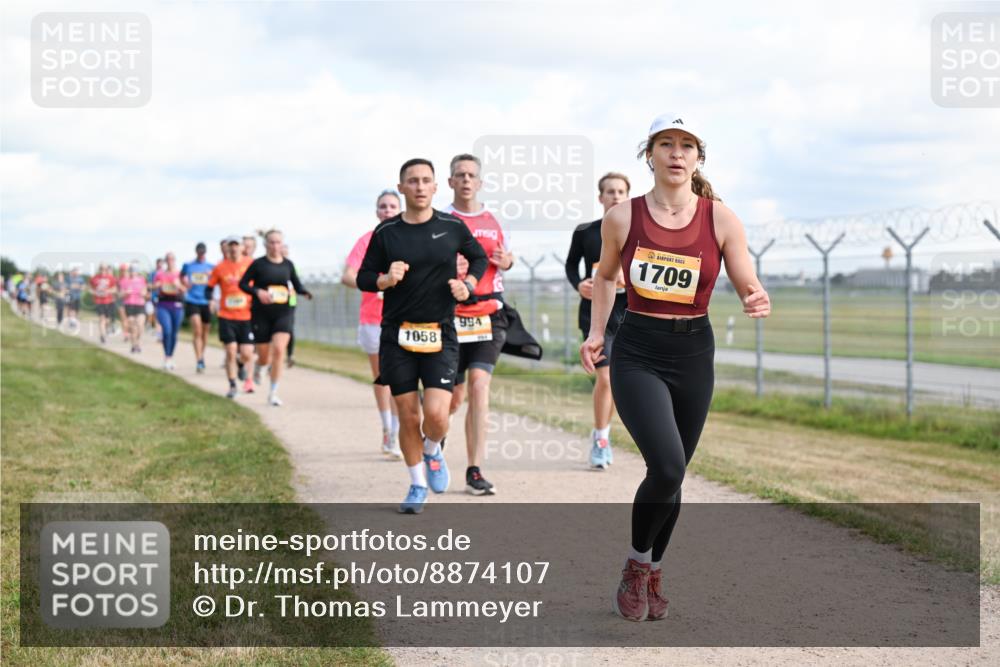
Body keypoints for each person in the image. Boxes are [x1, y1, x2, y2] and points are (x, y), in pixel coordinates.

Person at [581, 114, 771, 622]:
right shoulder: (623, 217)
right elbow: (604, 278)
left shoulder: (722, 218)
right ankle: (636, 565)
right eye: (666, 143)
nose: (676, 152)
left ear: (698, 157)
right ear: (651, 154)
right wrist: (598, 332)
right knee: (665, 465)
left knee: (675, 474)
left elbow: (742, 272)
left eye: (687, 145)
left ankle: (655, 568)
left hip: (693, 352)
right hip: (638, 348)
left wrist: (754, 293)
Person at [357, 158, 488, 515]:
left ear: (435, 187)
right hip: (395, 335)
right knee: (407, 414)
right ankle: (416, 484)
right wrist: (384, 279)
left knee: (437, 415)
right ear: (401, 188)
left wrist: (468, 285)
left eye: (425, 180)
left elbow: (478, 258)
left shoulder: (451, 226)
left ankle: (432, 449)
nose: (418, 186)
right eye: (411, 181)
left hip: (439, 333)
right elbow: (364, 277)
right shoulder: (386, 233)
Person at [444, 154, 514, 495]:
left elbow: (506, 259)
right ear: (451, 182)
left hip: (489, 313)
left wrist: (509, 261)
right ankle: (435, 445)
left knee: (478, 385)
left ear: (480, 182)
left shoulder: (494, 220)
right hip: (451, 316)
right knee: (452, 398)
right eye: (460, 175)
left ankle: (474, 470)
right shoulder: (441, 220)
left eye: (472, 175)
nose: (467, 180)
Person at [566, 172, 632, 469]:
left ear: (628, 196)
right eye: (610, 192)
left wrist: (626, 278)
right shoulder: (586, 231)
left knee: (619, 381)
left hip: (630, 311)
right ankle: (601, 439)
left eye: (620, 191)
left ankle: (602, 431)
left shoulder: (639, 231)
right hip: (595, 312)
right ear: (600, 197)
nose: (615, 196)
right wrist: (579, 283)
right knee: (605, 377)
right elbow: (571, 265)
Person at [342, 189, 403, 458]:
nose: (387, 210)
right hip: (373, 319)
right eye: (383, 206)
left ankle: (401, 430)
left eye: (392, 206)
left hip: (405, 318)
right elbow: (348, 276)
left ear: (400, 209)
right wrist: (375, 283)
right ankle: (387, 429)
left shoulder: (409, 238)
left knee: (403, 378)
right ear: (377, 211)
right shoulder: (367, 241)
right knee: (383, 377)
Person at [238, 229, 312, 406]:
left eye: (278, 242)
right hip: (261, 314)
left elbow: (296, 284)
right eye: (271, 242)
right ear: (265, 244)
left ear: (282, 244)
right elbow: (242, 284)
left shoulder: (288, 264)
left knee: (279, 349)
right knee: (264, 356)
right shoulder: (258, 264)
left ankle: (273, 392)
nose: (275, 245)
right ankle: (260, 366)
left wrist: (305, 292)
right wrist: (258, 291)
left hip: (283, 313)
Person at [210, 236, 256, 398]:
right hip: (226, 315)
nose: (234, 248)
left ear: (242, 247)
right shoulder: (220, 267)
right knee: (230, 350)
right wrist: (212, 301)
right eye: (231, 246)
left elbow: (260, 283)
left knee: (247, 352)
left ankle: (241, 364)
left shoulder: (250, 264)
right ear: (227, 249)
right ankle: (233, 385)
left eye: (237, 245)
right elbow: (210, 287)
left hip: (247, 315)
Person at [181, 243, 215, 373]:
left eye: (203, 252)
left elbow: (216, 283)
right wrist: (184, 285)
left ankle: (202, 355)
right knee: (197, 330)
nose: (201, 254)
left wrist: (213, 300)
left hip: (206, 301)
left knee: (205, 332)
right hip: (192, 300)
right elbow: (181, 277)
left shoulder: (211, 267)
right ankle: (199, 359)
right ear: (196, 251)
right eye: (199, 251)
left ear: (205, 252)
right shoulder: (188, 265)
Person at [153, 252, 187, 370]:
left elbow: (186, 290)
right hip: (163, 304)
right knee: (167, 330)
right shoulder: (160, 274)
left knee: (174, 333)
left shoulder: (180, 275)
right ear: (165, 261)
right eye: (168, 259)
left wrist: (178, 286)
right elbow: (152, 287)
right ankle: (166, 357)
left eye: (172, 259)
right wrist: (157, 285)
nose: (170, 261)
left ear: (175, 260)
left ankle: (171, 356)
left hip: (177, 305)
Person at [118, 263, 148, 353]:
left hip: (140, 305)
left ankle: (137, 342)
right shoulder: (124, 281)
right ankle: (134, 345)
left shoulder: (142, 280)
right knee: (133, 326)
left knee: (140, 326)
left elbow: (145, 291)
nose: (132, 272)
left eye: (134, 270)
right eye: (130, 270)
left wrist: (144, 293)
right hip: (129, 305)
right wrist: (125, 293)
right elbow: (120, 295)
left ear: (137, 272)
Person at [89, 264, 117, 344]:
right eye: (101, 269)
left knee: (107, 320)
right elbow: (90, 288)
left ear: (106, 269)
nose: (103, 270)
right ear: (99, 269)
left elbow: (115, 289)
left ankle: (106, 329)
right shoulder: (95, 278)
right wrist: (94, 292)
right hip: (98, 301)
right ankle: (102, 336)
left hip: (108, 301)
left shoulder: (110, 278)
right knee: (102, 319)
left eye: (104, 269)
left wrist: (108, 291)